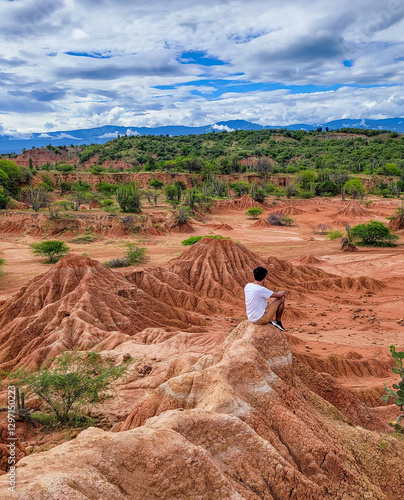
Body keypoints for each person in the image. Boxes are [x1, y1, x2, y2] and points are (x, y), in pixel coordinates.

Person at [244, 266, 286, 331]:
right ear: (264, 278)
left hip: (251, 317)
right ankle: (278, 321)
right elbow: (278, 295)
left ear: (253, 276)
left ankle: (271, 320)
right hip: (260, 319)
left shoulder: (248, 286)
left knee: (268, 302)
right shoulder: (261, 289)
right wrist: (283, 292)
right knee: (281, 298)